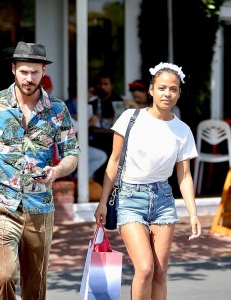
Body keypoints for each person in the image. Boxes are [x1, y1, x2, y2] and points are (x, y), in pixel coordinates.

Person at [0, 41, 80, 300]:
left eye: (35, 72)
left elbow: (72, 154)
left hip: (39, 205)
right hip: (0, 202)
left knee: (35, 283)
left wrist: (57, 171)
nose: (29, 78)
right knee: (4, 275)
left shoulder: (57, 110)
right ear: (14, 69)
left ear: (43, 71)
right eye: (24, 71)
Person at [94, 62, 202, 300]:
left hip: (163, 199)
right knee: (144, 268)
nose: (167, 93)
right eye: (162, 88)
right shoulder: (130, 118)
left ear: (179, 93)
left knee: (160, 272)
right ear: (151, 90)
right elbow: (113, 161)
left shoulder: (182, 130)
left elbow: (183, 175)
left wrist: (193, 213)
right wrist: (102, 201)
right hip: (130, 197)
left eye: (173, 89)